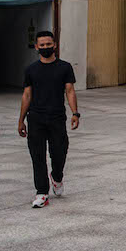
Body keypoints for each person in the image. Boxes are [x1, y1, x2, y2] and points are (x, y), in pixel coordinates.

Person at [18, 31, 81, 209]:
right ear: (36, 47)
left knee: (59, 152)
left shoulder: (65, 67)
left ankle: (57, 177)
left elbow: (69, 91)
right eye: (42, 45)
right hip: (36, 118)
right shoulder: (31, 69)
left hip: (57, 117)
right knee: (37, 156)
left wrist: (75, 113)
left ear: (54, 45)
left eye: (48, 44)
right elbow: (27, 94)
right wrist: (21, 120)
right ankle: (41, 192)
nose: (46, 47)